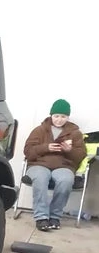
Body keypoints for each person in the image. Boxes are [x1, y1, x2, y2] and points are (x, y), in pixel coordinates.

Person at [23, 99, 87, 231]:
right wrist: (46, 148)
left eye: (63, 116)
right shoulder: (39, 130)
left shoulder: (75, 133)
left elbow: (80, 156)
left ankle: (54, 217)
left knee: (66, 180)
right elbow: (28, 151)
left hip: (64, 166)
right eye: (56, 116)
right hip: (39, 164)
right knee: (40, 178)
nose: (59, 120)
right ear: (51, 115)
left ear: (68, 117)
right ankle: (41, 218)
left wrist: (69, 151)